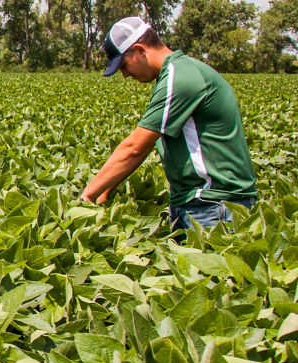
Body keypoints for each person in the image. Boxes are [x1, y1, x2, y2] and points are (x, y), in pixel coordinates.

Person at [81, 16, 257, 241]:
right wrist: (106, 188)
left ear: (139, 50)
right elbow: (148, 144)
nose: (124, 74)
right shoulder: (176, 73)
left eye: (123, 65)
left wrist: (87, 196)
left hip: (214, 205)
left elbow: (136, 147)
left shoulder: (179, 77)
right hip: (205, 205)